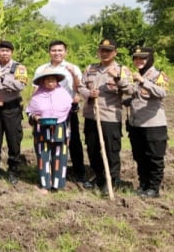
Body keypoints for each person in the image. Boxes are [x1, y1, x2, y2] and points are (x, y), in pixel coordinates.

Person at [78, 38, 132, 193]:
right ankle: (99, 176)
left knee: (111, 150)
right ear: (98, 52)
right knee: (93, 148)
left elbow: (130, 90)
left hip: (110, 116)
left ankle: (112, 179)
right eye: (102, 50)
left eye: (108, 51)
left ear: (115, 53)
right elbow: (80, 86)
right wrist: (89, 93)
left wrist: (117, 78)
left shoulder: (122, 70)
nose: (105, 53)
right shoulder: (91, 68)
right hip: (91, 115)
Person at [33, 40, 85, 182]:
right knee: (47, 140)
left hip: (68, 111)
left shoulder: (72, 68)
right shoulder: (41, 69)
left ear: (65, 52)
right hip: (47, 113)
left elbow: (79, 88)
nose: (57, 53)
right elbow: (35, 89)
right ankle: (49, 172)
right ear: (49, 52)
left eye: (60, 50)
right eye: (54, 50)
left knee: (73, 141)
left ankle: (78, 172)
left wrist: (74, 75)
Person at [126, 46, 168, 198]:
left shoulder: (159, 75)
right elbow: (132, 93)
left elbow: (162, 93)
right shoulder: (135, 75)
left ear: (149, 59)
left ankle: (154, 188)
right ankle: (143, 184)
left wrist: (143, 81)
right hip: (136, 124)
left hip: (153, 124)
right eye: (136, 58)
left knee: (154, 158)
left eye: (142, 58)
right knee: (139, 156)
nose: (139, 61)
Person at [0, 40, 28, 185]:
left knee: (13, 140)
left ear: (12, 52)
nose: (4, 53)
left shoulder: (19, 68)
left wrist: (2, 76)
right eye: (2, 50)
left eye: (7, 51)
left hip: (11, 109)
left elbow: (20, 85)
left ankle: (13, 171)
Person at [26, 68, 72, 194]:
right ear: (42, 81)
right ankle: (45, 184)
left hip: (60, 129)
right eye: (47, 80)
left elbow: (70, 109)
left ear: (57, 81)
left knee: (60, 155)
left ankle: (58, 184)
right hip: (41, 129)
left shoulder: (63, 94)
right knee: (43, 155)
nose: (50, 82)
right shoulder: (37, 95)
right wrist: (35, 117)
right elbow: (30, 111)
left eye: (53, 79)